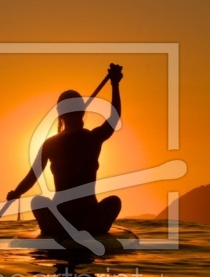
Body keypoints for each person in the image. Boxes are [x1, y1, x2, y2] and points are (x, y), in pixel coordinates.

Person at [7, 64, 124, 237]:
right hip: (74, 216)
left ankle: (65, 229)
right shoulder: (83, 139)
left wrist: (17, 193)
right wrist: (115, 84)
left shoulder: (83, 139)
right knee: (114, 202)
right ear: (82, 112)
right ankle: (83, 228)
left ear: (61, 115)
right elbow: (114, 118)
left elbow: (32, 177)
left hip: (73, 215)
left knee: (113, 202)